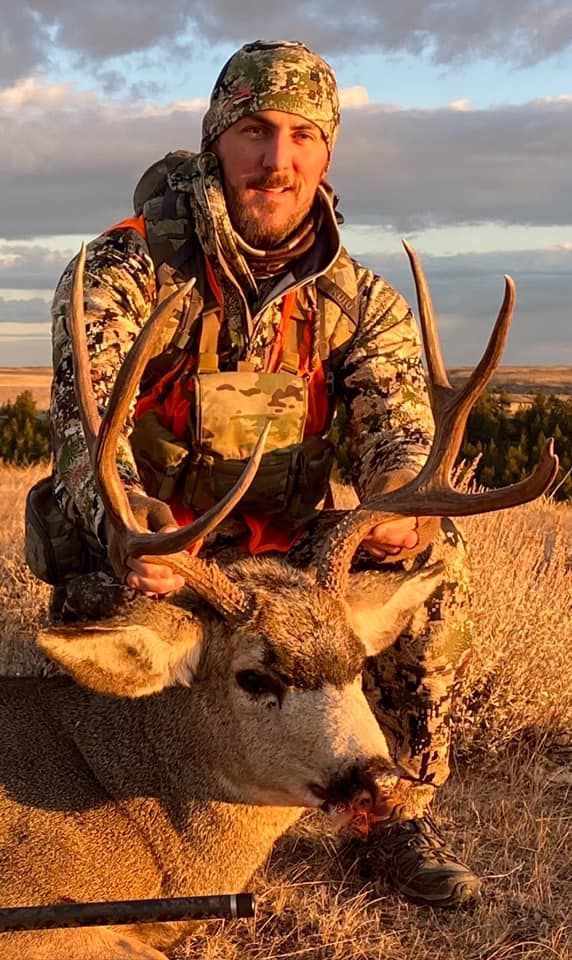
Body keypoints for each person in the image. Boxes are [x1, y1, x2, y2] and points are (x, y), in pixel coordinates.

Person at [29, 40, 479, 906]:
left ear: (327, 151)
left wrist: (398, 509)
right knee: (114, 654)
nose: (279, 160)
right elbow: (88, 440)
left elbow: (397, 432)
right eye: (256, 131)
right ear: (216, 141)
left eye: (304, 135)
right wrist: (132, 523)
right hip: (165, 558)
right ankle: (105, 816)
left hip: (290, 566)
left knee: (435, 556)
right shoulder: (121, 272)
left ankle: (393, 810)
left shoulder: (358, 299)